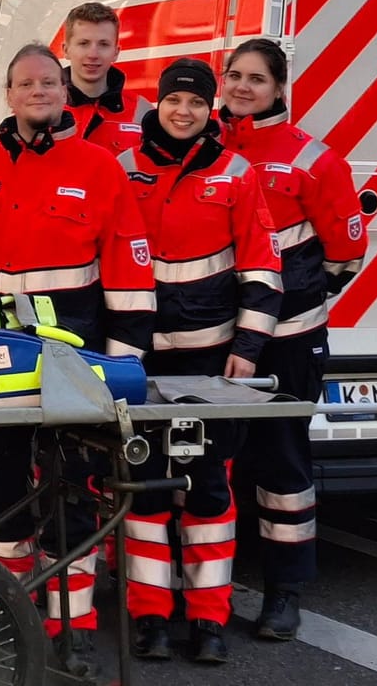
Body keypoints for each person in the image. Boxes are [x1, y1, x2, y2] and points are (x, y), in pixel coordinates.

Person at [0, 43, 155, 677]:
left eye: (49, 84)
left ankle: (75, 624)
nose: (39, 92)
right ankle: (12, 609)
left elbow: (128, 267)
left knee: (73, 492)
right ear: (7, 96)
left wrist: (125, 363)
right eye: (26, 84)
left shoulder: (99, 167)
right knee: (0, 487)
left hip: (75, 360)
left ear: (64, 94)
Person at [109, 58, 283, 664]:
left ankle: (209, 620)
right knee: (147, 492)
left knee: (209, 490)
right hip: (143, 364)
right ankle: (151, 617)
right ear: (156, 104)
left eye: (196, 102)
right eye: (174, 100)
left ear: (212, 110)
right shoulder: (123, 170)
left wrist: (247, 347)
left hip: (212, 367)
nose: (184, 111)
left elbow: (262, 265)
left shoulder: (236, 173)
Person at [218, 37, 366, 641]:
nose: (243, 87)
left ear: (279, 89)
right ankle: (207, 590)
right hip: (215, 338)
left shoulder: (315, 160)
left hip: (288, 340)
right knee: (210, 466)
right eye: (234, 75)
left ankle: (284, 592)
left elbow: (346, 255)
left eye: (257, 78)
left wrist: (291, 309)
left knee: (282, 462)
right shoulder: (204, 145)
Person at [61, 1, 151, 155]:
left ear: (116, 52)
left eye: (103, 44)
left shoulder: (142, 112)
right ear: (66, 50)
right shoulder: (41, 107)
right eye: (83, 43)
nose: (93, 54)